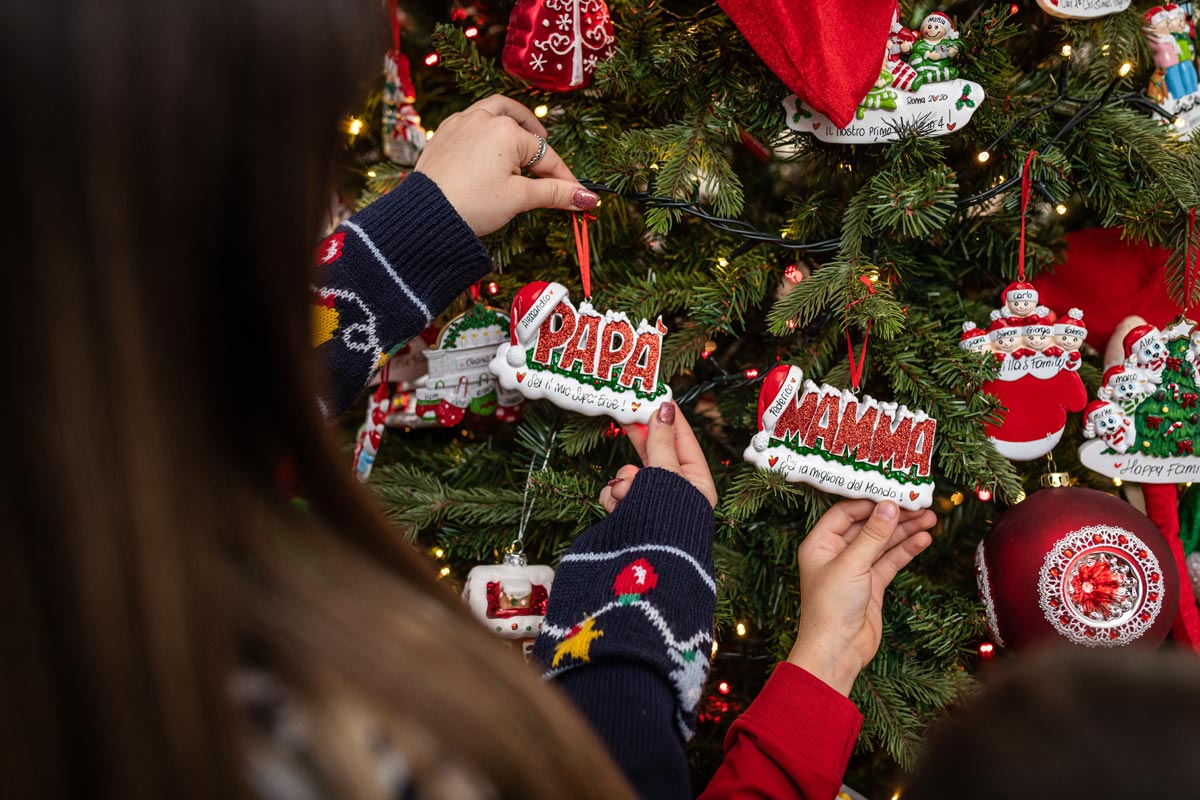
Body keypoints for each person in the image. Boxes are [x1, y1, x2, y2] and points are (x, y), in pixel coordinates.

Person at [6, 2, 939, 799]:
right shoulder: (278, 731)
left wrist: (408, 234)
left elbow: (165, 420)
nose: (325, 216)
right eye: (298, 179)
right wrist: (637, 639)